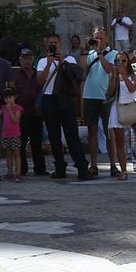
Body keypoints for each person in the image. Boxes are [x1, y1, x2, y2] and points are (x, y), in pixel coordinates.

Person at [37, 35, 90, 180]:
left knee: (72, 135)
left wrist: (61, 61)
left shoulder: (69, 60)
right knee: (54, 136)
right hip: (49, 99)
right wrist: (48, 64)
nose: (53, 45)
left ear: (60, 44)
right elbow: (39, 81)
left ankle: (82, 167)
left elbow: (73, 77)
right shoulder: (42, 62)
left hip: (66, 99)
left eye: (55, 43)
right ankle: (60, 167)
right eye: (50, 43)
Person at [106, 51, 136, 180]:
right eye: (118, 61)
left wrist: (123, 75)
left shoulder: (134, 75)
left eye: (123, 61)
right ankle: (124, 171)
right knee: (120, 141)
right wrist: (115, 77)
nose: (120, 63)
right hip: (117, 108)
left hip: (131, 107)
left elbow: (132, 89)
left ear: (128, 62)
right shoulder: (114, 75)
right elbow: (109, 93)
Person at [82, 28, 116, 177]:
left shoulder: (113, 54)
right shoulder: (90, 54)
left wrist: (100, 53)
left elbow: (108, 70)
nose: (98, 42)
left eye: (101, 39)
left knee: (109, 132)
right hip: (90, 96)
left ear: (107, 40)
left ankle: (113, 165)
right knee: (92, 132)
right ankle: (94, 164)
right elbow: (81, 67)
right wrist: (85, 50)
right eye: (96, 38)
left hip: (105, 97)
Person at [12, 48, 46, 176]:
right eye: (24, 58)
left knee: (37, 141)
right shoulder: (16, 75)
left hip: (36, 112)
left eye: (29, 58)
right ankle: (23, 168)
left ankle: (40, 168)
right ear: (20, 60)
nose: (27, 61)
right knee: (21, 142)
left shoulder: (38, 73)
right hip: (21, 113)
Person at [0, 88, 23, 181]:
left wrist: (10, 110)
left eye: (10, 97)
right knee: (8, 155)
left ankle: (18, 173)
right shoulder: (3, 107)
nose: (8, 100)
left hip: (15, 134)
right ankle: (9, 172)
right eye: (6, 98)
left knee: (17, 154)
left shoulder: (18, 108)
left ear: (14, 97)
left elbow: (16, 120)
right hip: (5, 135)